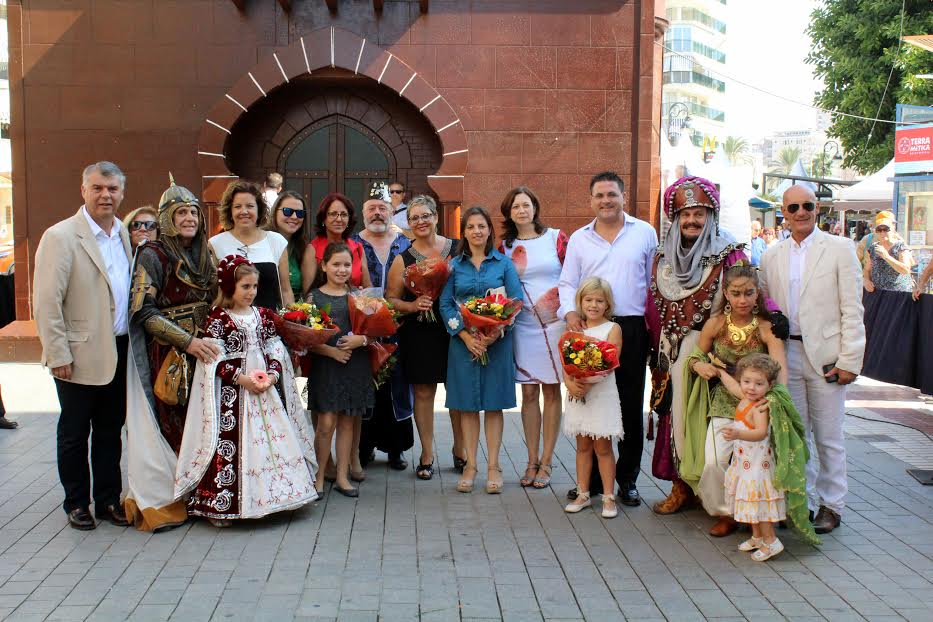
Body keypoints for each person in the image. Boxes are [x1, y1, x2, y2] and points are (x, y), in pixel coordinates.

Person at [647, 176, 787, 518]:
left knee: (712, 427)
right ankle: (681, 487)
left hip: (715, 355)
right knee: (673, 420)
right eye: (685, 214)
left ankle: (724, 500)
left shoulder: (729, 252)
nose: (692, 221)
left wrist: (775, 313)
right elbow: (651, 303)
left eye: (700, 213)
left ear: (712, 217)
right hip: (670, 350)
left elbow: (748, 289)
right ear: (674, 218)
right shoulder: (662, 256)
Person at [174, 256, 317, 525]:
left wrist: (273, 374)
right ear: (230, 288)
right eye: (245, 287)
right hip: (234, 395)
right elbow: (212, 359)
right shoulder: (218, 318)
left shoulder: (262, 315)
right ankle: (224, 505)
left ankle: (280, 497)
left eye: (254, 286)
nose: (251, 292)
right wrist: (241, 379)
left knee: (272, 440)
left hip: (265, 392)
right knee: (231, 444)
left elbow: (275, 348)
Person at [759, 185, 865, 534]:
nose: (800, 212)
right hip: (786, 354)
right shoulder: (771, 256)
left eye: (807, 205)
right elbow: (766, 307)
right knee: (795, 434)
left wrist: (850, 359)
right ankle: (799, 502)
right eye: (793, 207)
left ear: (816, 209)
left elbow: (853, 309)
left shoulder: (840, 248)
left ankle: (832, 505)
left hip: (827, 358)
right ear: (783, 212)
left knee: (829, 436)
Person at [33, 161, 132, 530]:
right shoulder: (60, 236)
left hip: (119, 350)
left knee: (110, 430)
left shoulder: (123, 234)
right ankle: (76, 502)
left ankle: (107, 499)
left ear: (122, 193)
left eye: (112, 189)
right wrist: (58, 353)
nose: (105, 195)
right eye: (97, 188)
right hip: (76, 355)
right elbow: (46, 302)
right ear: (83, 191)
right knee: (75, 432)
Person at [123, 176, 220, 531]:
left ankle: (205, 492)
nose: (189, 218)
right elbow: (144, 312)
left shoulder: (206, 252)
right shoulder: (152, 254)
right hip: (168, 352)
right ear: (167, 218)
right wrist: (187, 342)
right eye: (181, 213)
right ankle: (175, 492)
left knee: (204, 422)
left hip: (207, 347)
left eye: (193, 212)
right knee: (171, 422)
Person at [558, 171, 657, 506]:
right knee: (592, 401)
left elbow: (653, 283)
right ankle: (593, 483)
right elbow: (568, 282)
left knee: (629, 405)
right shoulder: (579, 238)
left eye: (611, 194)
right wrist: (570, 315)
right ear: (591, 200)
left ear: (623, 196)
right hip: (591, 327)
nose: (606, 201)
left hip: (630, 327)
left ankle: (626, 480)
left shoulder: (644, 232)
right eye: (599, 195)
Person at [681, 263, 787, 536]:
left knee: (758, 465)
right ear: (726, 294)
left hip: (758, 408)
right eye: (736, 293)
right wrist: (698, 366)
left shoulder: (766, 327)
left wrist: (775, 404)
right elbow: (695, 356)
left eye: (748, 293)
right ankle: (725, 513)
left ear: (757, 294)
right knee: (714, 462)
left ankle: (760, 517)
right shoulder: (715, 324)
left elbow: (780, 371)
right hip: (723, 403)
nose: (742, 300)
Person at [440, 206, 523, 494]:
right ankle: (471, 466)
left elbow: (515, 301)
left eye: (482, 226)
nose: (477, 231)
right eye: (471, 226)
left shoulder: (503, 264)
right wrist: (464, 335)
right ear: (463, 232)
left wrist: (493, 333)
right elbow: (445, 304)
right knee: (466, 406)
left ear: (490, 230)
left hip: (496, 344)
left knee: (493, 405)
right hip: (462, 345)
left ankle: (494, 466)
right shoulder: (454, 266)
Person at [385, 195, 465, 480]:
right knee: (423, 392)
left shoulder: (457, 249)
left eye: (425, 215)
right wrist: (411, 305)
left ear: (435, 217)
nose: (420, 221)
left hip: (456, 329)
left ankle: (461, 449)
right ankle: (427, 453)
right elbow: (390, 298)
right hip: (419, 331)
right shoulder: (402, 259)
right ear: (408, 224)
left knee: (458, 392)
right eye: (414, 218)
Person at [498, 186, 568, 489]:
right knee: (528, 394)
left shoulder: (556, 237)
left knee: (552, 391)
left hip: (554, 325)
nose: (521, 210)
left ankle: (548, 460)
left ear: (535, 208)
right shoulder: (505, 246)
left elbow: (571, 276)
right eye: (515, 207)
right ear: (509, 213)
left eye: (526, 205)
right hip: (523, 326)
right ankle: (530, 460)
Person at [352, 182, 414, 471]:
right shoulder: (354, 244)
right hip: (363, 329)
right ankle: (363, 448)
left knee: (397, 386)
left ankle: (395, 449)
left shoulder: (406, 243)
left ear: (392, 211)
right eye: (372, 209)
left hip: (400, 327)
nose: (377, 213)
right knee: (366, 384)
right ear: (364, 213)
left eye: (382, 209)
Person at [308, 243, 376, 498]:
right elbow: (306, 339)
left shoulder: (360, 296)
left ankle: (342, 477)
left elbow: (375, 330)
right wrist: (332, 351)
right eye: (336, 264)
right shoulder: (314, 298)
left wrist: (362, 340)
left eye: (347, 264)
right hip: (326, 367)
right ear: (324, 266)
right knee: (326, 423)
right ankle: (318, 475)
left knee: (348, 421)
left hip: (354, 365)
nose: (342, 269)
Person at [720, 355, 798, 561]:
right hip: (745, 464)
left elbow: (761, 433)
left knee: (760, 504)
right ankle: (757, 537)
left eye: (758, 383)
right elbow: (731, 386)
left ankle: (771, 541)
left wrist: (738, 434)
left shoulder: (760, 407)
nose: (751, 388)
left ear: (770, 385)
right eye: (746, 382)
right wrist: (719, 371)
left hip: (758, 467)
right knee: (751, 502)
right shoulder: (745, 398)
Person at [562, 277, 623, 519]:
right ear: (580, 301)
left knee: (604, 447)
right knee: (583, 446)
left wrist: (588, 382)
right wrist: (571, 383)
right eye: (589, 299)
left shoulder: (612, 329)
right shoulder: (574, 330)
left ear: (607, 304)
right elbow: (565, 364)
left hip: (601, 394)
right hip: (578, 393)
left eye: (599, 300)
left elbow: (611, 361)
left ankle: (609, 497)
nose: (594, 305)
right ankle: (583, 493)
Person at [209, 180, 293, 309]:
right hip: (231, 324)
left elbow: (285, 291)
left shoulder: (277, 241)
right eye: (238, 206)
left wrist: (291, 321)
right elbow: (215, 293)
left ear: (259, 209)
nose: (244, 211)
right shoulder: (216, 244)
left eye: (250, 206)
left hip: (269, 324)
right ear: (229, 211)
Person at [311, 193, 372, 289]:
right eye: (333, 214)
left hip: (354, 302)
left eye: (344, 214)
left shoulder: (358, 248)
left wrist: (360, 296)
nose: (339, 219)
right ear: (323, 218)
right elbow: (308, 293)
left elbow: (368, 288)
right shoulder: (313, 249)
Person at [265, 190, 316, 301]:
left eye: (300, 213)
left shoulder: (304, 249)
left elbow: (308, 293)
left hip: (294, 312)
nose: (294, 217)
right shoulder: (261, 241)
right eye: (287, 211)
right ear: (275, 212)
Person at [863, 213, 913, 293]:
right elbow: (867, 269)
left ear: (893, 228)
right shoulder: (873, 248)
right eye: (879, 230)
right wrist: (866, 280)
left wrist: (886, 256)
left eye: (886, 229)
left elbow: (905, 270)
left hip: (898, 295)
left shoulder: (901, 246)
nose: (882, 233)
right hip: (878, 294)